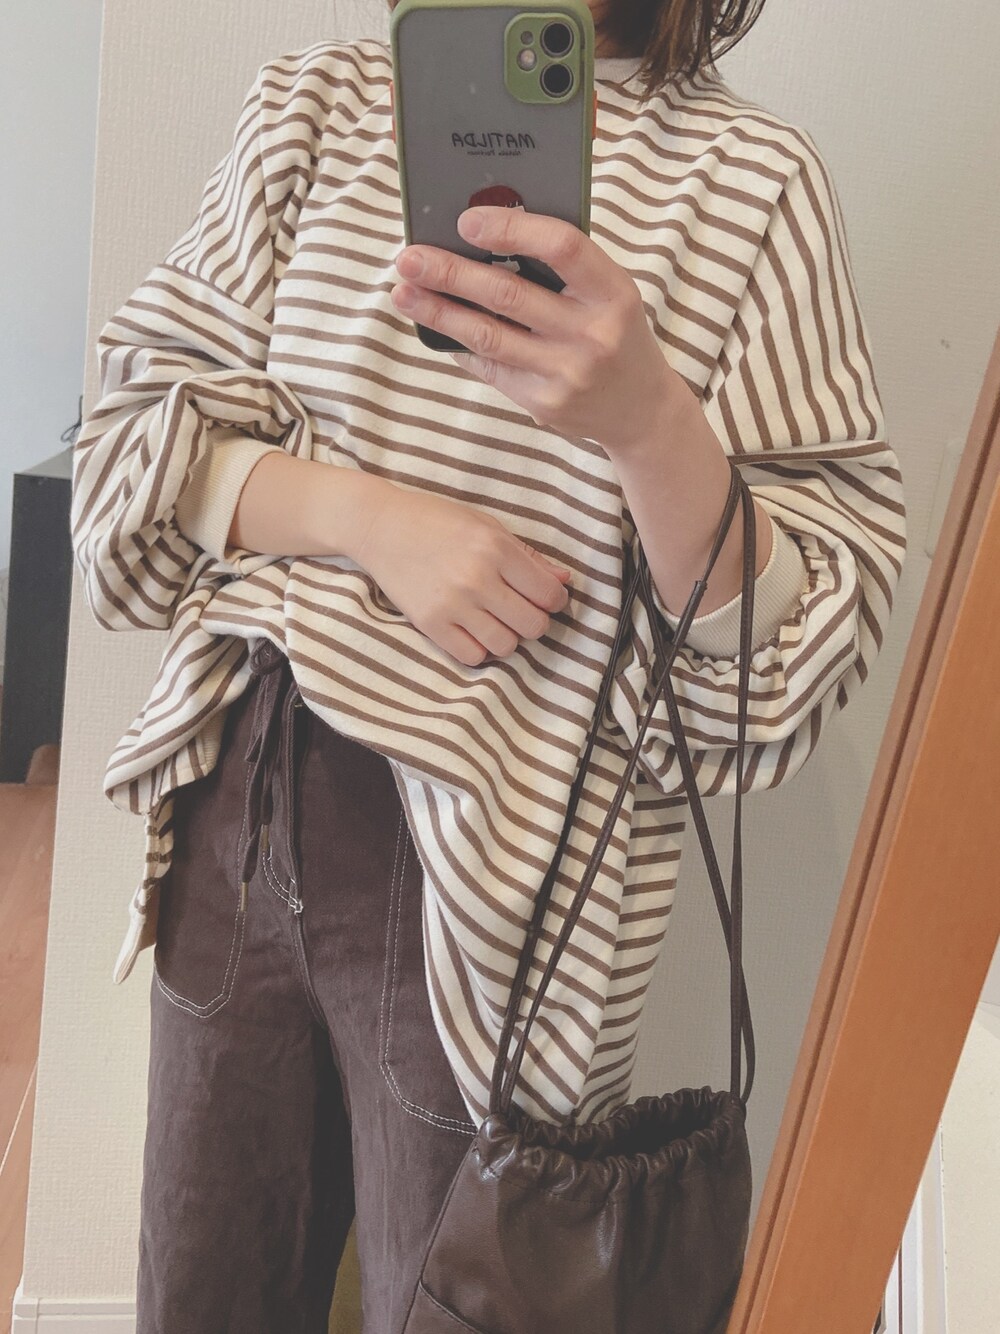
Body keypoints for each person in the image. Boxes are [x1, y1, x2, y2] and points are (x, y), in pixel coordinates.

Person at [70, 0, 907, 1329]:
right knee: (204, 1293)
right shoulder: (319, 109)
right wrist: (375, 522)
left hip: (509, 893)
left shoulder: (754, 188)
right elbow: (125, 448)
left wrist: (651, 424)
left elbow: (796, 661)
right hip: (241, 797)